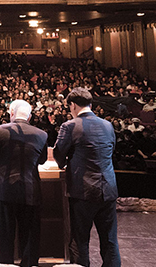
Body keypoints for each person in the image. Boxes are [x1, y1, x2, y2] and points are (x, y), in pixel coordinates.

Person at [54, 87, 121, 267]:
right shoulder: (108, 125)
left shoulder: (70, 126)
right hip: (108, 189)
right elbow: (110, 150)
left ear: (73, 105)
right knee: (110, 241)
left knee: (80, 241)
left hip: (83, 191)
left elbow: (59, 156)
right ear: (90, 104)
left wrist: (67, 161)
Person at [0, 99, 48, 267]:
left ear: (12, 113)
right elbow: (42, 160)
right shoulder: (41, 134)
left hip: (5, 190)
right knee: (30, 240)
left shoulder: (0, 131)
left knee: (5, 239)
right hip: (31, 191)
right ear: (29, 117)